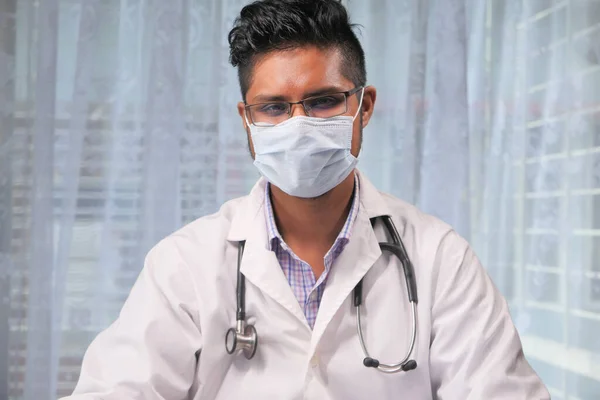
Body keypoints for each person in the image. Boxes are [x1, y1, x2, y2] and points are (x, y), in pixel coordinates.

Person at [63, 0, 550, 399]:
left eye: (322, 101)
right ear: (246, 120)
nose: (297, 125)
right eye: (273, 107)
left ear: (364, 106)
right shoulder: (185, 265)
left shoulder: (440, 260)